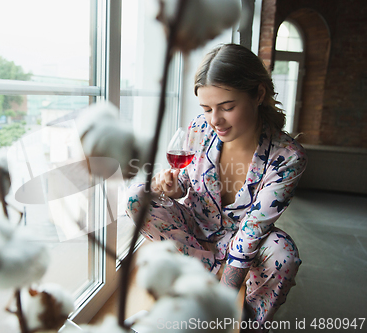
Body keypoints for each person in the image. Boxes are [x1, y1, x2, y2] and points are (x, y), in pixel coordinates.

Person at [126, 43, 307, 330]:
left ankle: (249, 322)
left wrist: (222, 301)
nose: (215, 120)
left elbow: (254, 229)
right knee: (138, 197)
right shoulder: (200, 128)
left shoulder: (287, 157)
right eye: (207, 108)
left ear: (259, 94)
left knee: (283, 255)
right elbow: (189, 181)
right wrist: (174, 188)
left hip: (246, 240)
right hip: (197, 230)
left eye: (227, 107)